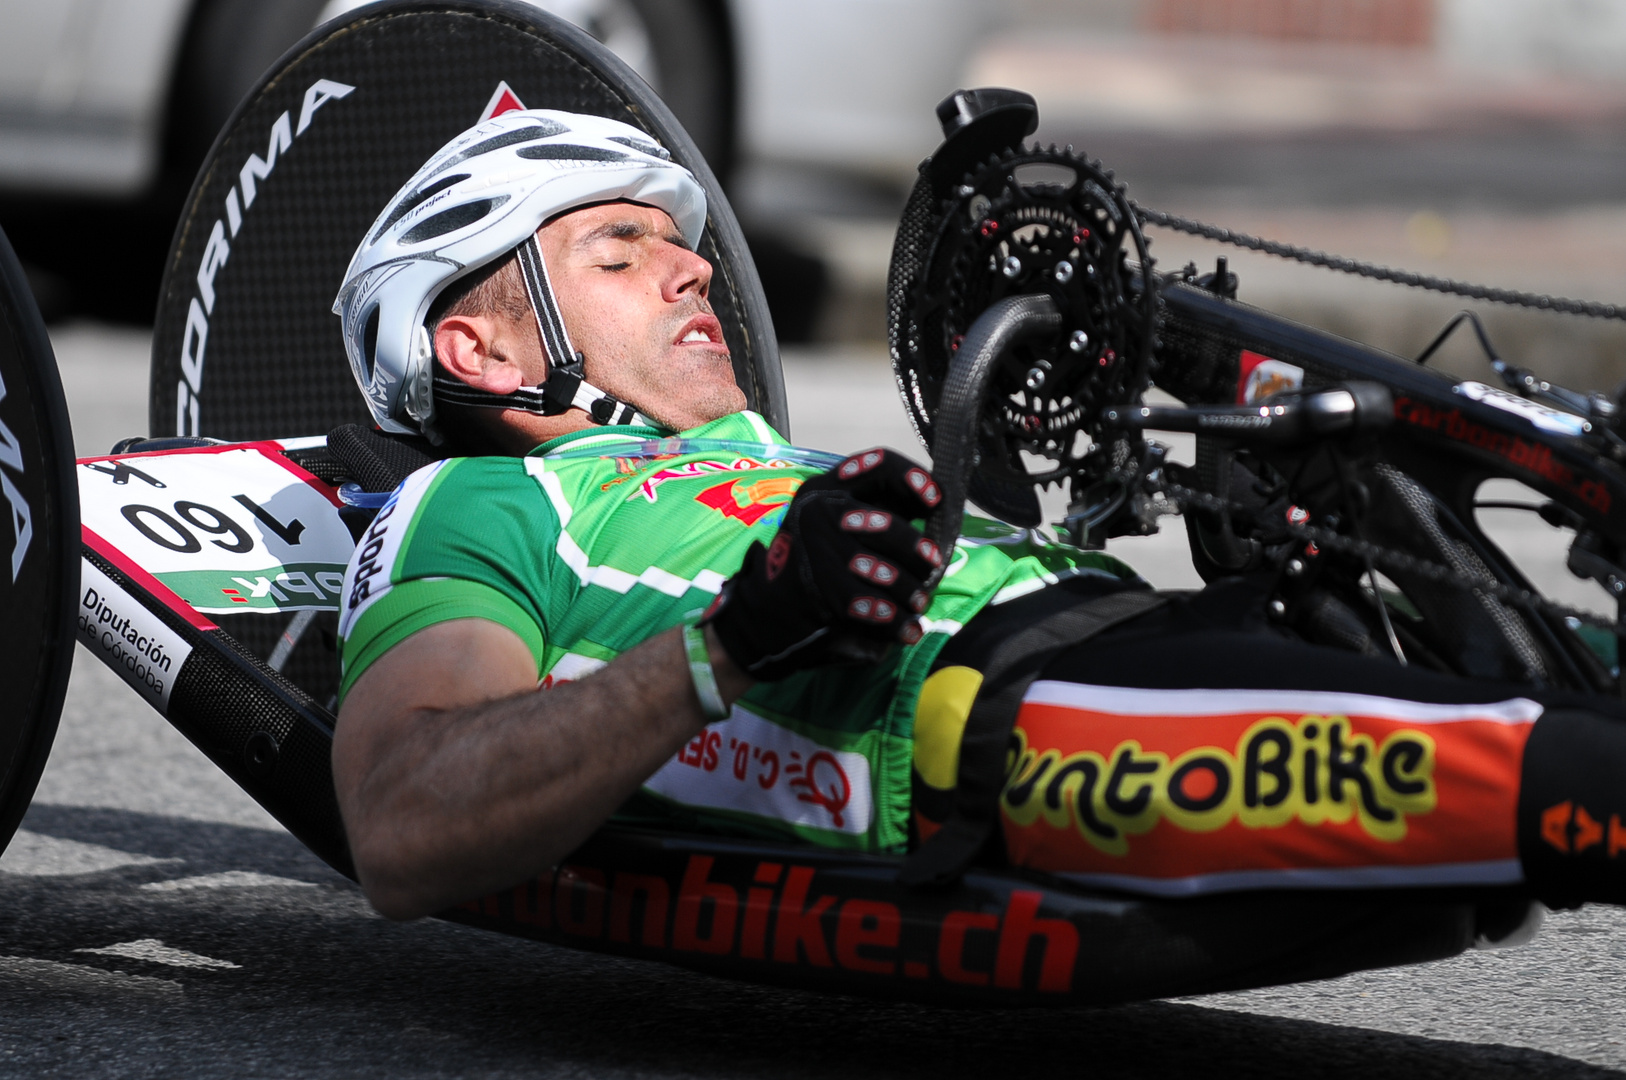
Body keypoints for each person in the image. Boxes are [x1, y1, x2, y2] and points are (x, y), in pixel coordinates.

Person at [332, 109, 1626, 924]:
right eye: (617, 252)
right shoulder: (476, 503)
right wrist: (733, 644)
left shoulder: (768, 463)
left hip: (1156, 645)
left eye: (682, 246)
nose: (690, 266)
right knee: (1580, 778)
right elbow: (400, 820)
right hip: (1015, 727)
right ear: (484, 354)